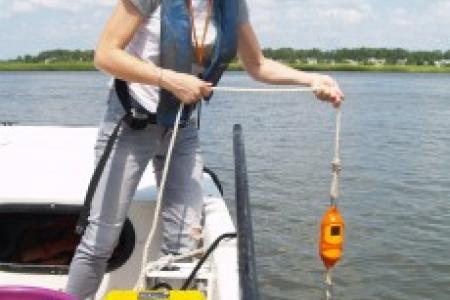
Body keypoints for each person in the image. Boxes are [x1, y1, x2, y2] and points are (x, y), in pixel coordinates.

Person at [65, 0, 344, 299]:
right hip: (131, 123)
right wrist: (168, 79)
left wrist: (311, 79)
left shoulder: (232, 6)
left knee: (183, 243)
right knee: (101, 241)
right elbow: (105, 54)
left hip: (182, 129)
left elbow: (257, 64)